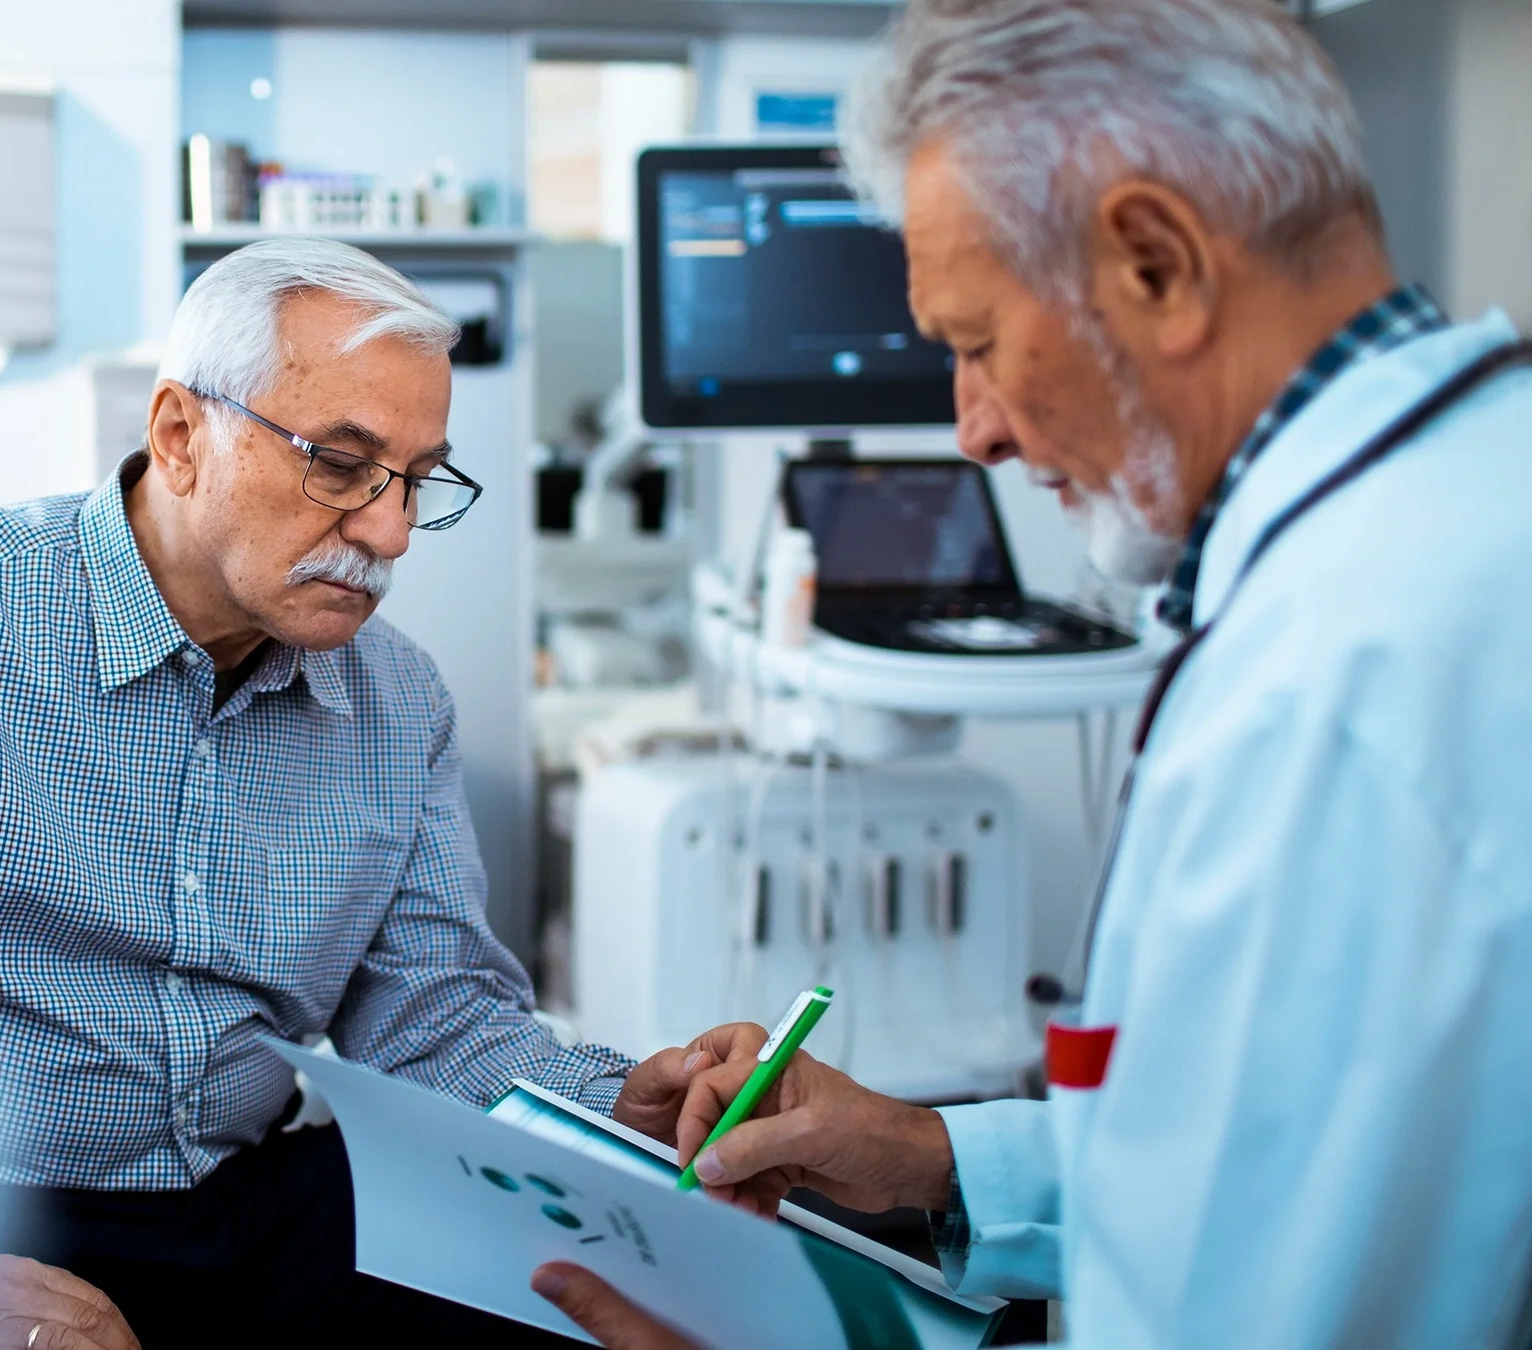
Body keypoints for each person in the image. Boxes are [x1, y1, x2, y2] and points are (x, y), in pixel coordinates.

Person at [533, 0, 1532, 1345]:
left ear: (1157, 264)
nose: (975, 430)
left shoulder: (1337, 685)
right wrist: (942, 1159)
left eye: (977, 342)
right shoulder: (1467, 496)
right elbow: (1234, 1157)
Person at [0, 237, 720, 1348]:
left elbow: (436, 1025)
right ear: (179, 435)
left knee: (584, 1292)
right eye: (342, 465)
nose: (390, 531)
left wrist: (615, 1107)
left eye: (417, 479)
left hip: (250, 1203)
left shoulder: (399, 699)